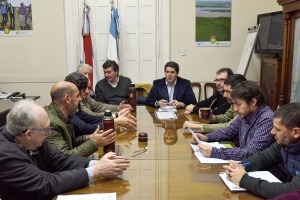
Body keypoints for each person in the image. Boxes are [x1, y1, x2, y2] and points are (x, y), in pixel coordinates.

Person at [0, 100, 130, 200]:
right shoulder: (5, 155)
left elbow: (60, 159)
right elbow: (45, 183)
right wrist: (96, 171)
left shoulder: (32, 137)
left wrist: (99, 164)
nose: (48, 134)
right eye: (46, 130)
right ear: (28, 134)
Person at [223, 103, 300, 199]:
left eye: (277, 129)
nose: (272, 132)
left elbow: (292, 191)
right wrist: (240, 166)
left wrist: (244, 180)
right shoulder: (285, 142)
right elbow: (264, 158)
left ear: (296, 132)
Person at [193, 81, 274, 160]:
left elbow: (252, 152)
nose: (235, 109)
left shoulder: (266, 118)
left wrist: (215, 152)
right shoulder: (245, 114)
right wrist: (206, 137)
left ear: (253, 102)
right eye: (234, 104)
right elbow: (229, 131)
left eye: (238, 104)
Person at [45, 81, 116, 157]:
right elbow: (65, 157)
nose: (80, 99)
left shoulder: (63, 115)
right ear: (67, 99)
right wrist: (94, 143)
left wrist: (90, 137)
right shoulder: (50, 123)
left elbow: (71, 143)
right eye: (77, 96)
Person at [65, 72, 137, 132]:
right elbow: (86, 127)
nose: (88, 91)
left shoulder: (77, 102)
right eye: (85, 89)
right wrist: (113, 122)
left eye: (88, 87)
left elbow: (90, 117)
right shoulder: (69, 108)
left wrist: (117, 114)